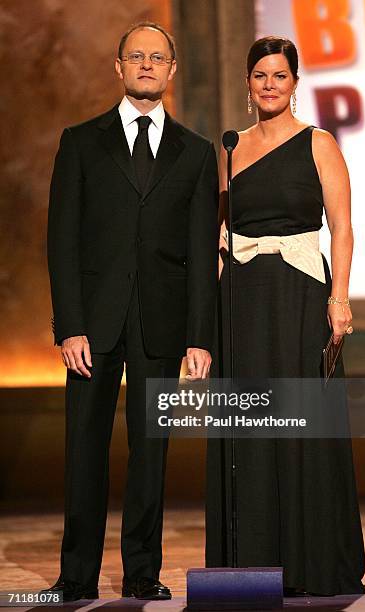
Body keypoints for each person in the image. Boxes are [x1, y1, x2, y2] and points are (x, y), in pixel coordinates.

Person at [45, 22, 218, 602]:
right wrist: (68, 324)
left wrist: (200, 337)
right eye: (136, 56)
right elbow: (62, 242)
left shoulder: (195, 154)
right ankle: (77, 574)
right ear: (118, 68)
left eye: (158, 57)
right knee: (84, 451)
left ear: (172, 70)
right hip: (92, 326)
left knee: (151, 454)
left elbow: (200, 253)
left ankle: (142, 569)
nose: (147, 65)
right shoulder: (81, 142)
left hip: (161, 327)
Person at [205, 36, 365, 596]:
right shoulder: (230, 148)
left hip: (301, 298)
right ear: (248, 85)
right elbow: (221, 235)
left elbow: (342, 227)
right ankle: (250, 567)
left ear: (295, 82)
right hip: (242, 304)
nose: (269, 84)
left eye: (280, 75)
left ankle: (311, 563)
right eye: (260, 76)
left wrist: (339, 299)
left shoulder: (318, 144)